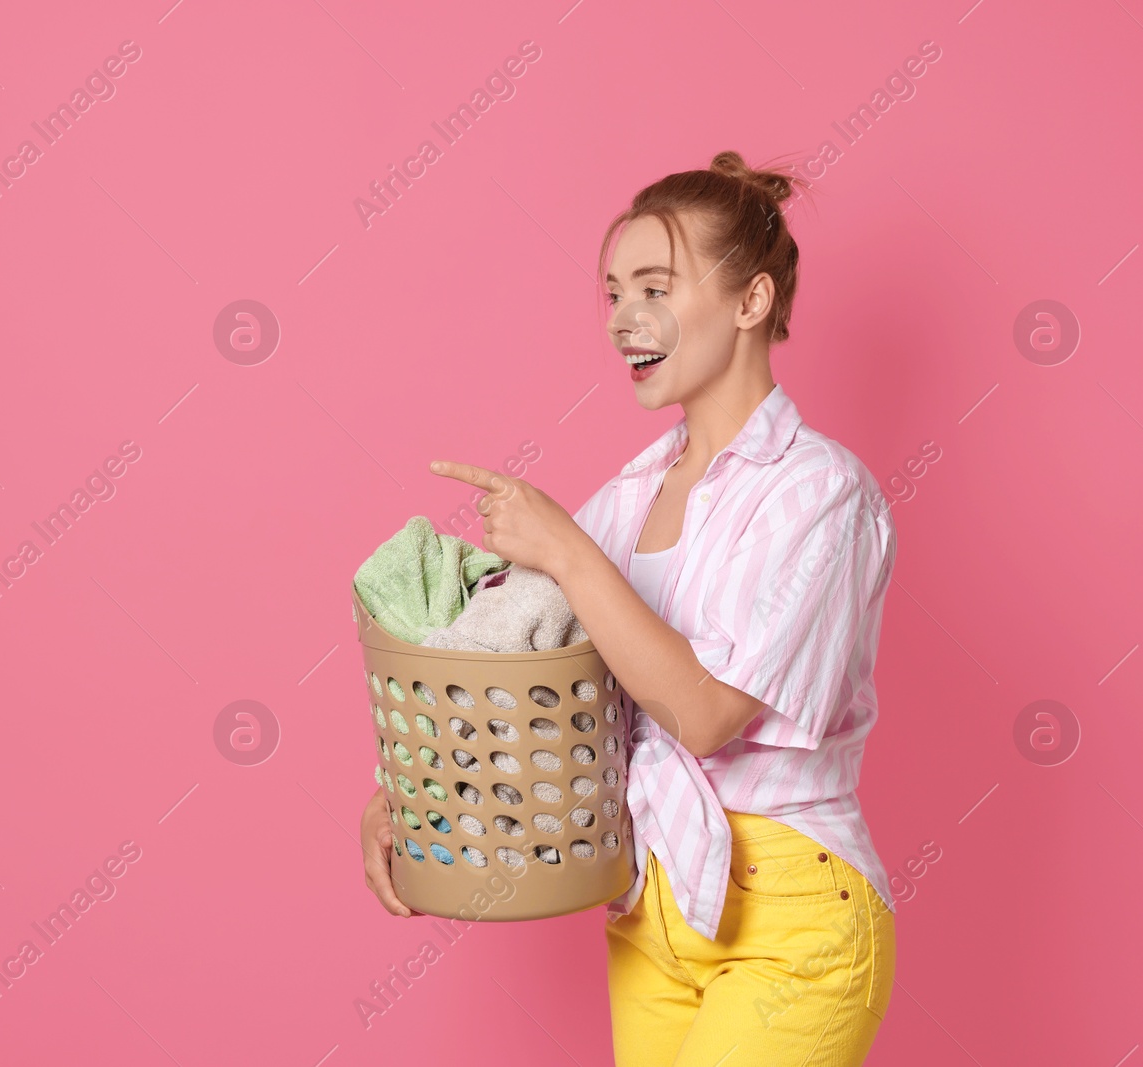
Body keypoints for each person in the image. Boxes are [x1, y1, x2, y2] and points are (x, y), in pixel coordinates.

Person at [360, 150, 897, 1066]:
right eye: (611, 293)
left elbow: (707, 713)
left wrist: (567, 549)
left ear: (751, 301)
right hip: (653, 898)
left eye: (654, 287)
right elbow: (544, 696)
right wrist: (409, 796)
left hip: (791, 915)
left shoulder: (822, 494)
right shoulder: (629, 495)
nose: (621, 321)